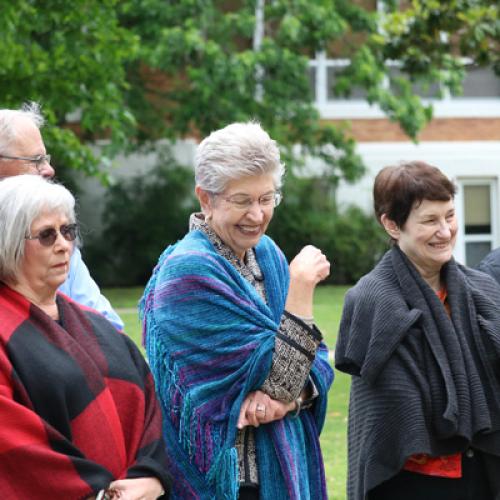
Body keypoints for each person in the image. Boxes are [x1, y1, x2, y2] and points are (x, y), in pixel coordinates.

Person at [140, 122, 334, 499]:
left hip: (281, 469)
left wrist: (287, 402)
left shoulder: (269, 255)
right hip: (227, 482)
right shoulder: (189, 271)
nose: (257, 214)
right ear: (206, 199)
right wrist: (300, 290)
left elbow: (316, 360)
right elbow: (280, 375)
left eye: (267, 199)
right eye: (242, 200)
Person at [335, 161, 500, 500]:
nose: (445, 231)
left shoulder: (483, 291)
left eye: (450, 216)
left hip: (483, 472)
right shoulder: (372, 299)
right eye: (429, 221)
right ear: (392, 225)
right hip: (412, 481)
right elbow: (388, 410)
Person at [0, 174, 171, 499]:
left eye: (68, 231)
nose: (64, 244)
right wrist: (99, 494)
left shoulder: (99, 326)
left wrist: (151, 475)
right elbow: (8, 441)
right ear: (8, 243)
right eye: (47, 235)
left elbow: (150, 407)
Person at [0, 103, 123, 330]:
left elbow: (109, 329)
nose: (49, 170)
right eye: (35, 160)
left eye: (66, 232)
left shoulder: (60, 250)